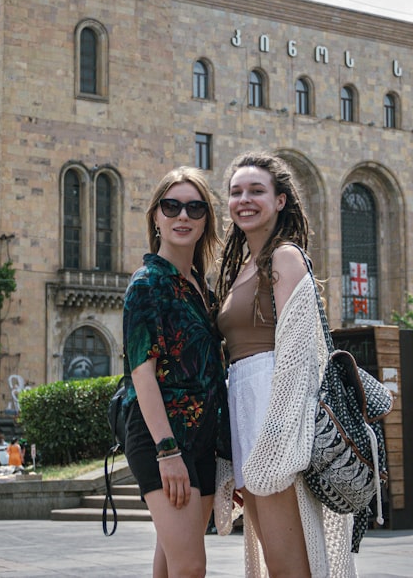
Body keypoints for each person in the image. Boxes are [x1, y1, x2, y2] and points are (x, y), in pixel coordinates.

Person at [214, 152, 355, 577]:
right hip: (247, 410)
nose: (244, 199)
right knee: (276, 562)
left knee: (289, 566)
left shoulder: (285, 257)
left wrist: (275, 443)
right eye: (236, 192)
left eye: (256, 190)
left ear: (280, 200)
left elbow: (296, 359)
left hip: (274, 417)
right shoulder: (240, 266)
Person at [122, 167, 227, 578]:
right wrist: (167, 452)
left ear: (205, 222)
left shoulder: (202, 287)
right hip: (161, 438)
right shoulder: (148, 283)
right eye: (172, 206)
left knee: (171, 562)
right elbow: (141, 374)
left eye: (195, 208)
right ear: (156, 217)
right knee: (191, 566)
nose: (183, 216)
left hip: (201, 441)